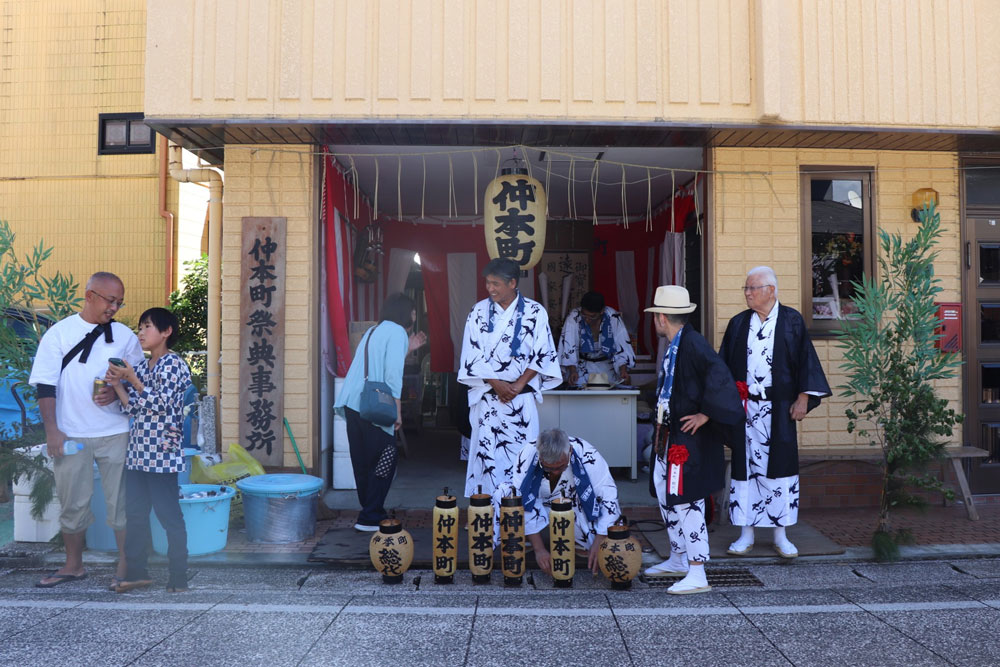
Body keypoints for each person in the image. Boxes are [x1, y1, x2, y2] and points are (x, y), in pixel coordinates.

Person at [28, 272, 144, 588]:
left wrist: (116, 393)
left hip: (117, 432)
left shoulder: (124, 336)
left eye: (120, 303)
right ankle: (73, 565)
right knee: (72, 501)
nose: (115, 308)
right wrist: (52, 431)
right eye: (110, 300)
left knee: (121, 502)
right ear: (90, 295)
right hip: (71, 434)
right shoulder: (59, 333)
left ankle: (126, 565)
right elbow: (45, 385)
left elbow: (137, 381)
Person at [719, 267, 831, 558]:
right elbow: (724, 367)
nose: (747, 293)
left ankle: (781, 535)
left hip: (779, 409)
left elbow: (806, 360)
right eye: (746, 288)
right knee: (745, 469)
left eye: (752, 288)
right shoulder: (738, 323)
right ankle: (745, 534)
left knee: (780, 468)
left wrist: (804, 397)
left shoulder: (791, 320)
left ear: (771, 290)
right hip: (746, 408)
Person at [644, 285, 744, 594]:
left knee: (687, 500)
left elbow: (722, 379)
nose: (655, 321)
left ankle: (697, 570)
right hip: (668, 433)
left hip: (687, 440)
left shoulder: (694, 344)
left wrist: (706, 414)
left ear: (662, 318)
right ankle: (678, 557)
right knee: (667, 495)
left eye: (655, 316)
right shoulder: (679, 343)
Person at [458, 258, 562, 497]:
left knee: (523, 456)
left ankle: (521, 510)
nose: (490, 288)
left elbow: (543, 352)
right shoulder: (478, 311)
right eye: (487, 283)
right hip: (489, 398)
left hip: (520, 399)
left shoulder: (535, 312)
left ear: (513, 283)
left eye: (495, 283)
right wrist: (496, 384)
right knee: (487, 458)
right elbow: (471, 353)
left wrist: (517, 385)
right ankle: (485, 509)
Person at [105, 307, 192, 593]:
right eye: (140, 327)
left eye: (147, 327)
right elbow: (131, 408)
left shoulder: (174, 364)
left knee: (169, 517)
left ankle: (178, 576)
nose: (141, 333)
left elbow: (162, 404)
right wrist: (118, 385)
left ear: (166, 332)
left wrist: (131, 380)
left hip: (163, 454)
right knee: (135, 515)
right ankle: (136, 573)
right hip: (138, 453)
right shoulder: (141, 367)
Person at [334, 293, 426, 531]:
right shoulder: (397, 332)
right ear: (405, 313)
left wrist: (409, 347)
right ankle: (371, 515)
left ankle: (369, 511)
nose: (414, 316)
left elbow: (378, 362)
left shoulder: (373, 331)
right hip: (375, 405)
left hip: (353, 402)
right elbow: (393, 374)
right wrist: (398, 410)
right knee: (387, 457)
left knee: (363, 460)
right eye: (413, 311)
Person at [494, 428, 620, 576]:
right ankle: (527, 538)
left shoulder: (587, 453)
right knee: (504, 492)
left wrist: (599, 540)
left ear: (570, 451)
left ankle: (580, 540)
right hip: (539, 504)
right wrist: (539, 550)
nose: (555, 472)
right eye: (548, 468)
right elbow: (522, 500)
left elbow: (608, 496)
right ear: (540, 456)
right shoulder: (528, 453)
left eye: (561, 467)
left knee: (606, 542)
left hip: (573, 506)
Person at [558, 291, 635, 388]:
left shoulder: (613, 317)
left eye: (592, 316)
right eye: (584, 315)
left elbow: (622, 346)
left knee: (609, 393)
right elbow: (569, 347)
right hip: (581, 368)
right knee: (579, 392)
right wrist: (573, 371)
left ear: (602, 311)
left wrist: (623, 370)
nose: (587, 319)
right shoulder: (574, 317)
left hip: (607, 367)